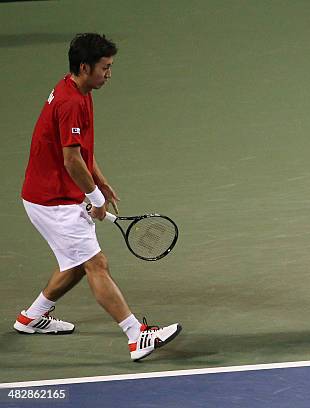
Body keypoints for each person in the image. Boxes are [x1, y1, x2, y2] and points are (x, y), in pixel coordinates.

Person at [15, 33, 182, 361]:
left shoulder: (77, 89)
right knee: (96, 263)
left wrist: (100, 184)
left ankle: (31, 317)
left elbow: (81, 152)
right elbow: (71, 159)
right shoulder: (71, 102)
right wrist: (94, 195)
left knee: (76, 264)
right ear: (84, 67)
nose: (109, 73)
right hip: (52, 200)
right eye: (104, 67)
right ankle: (136, 336)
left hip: (56, 192)